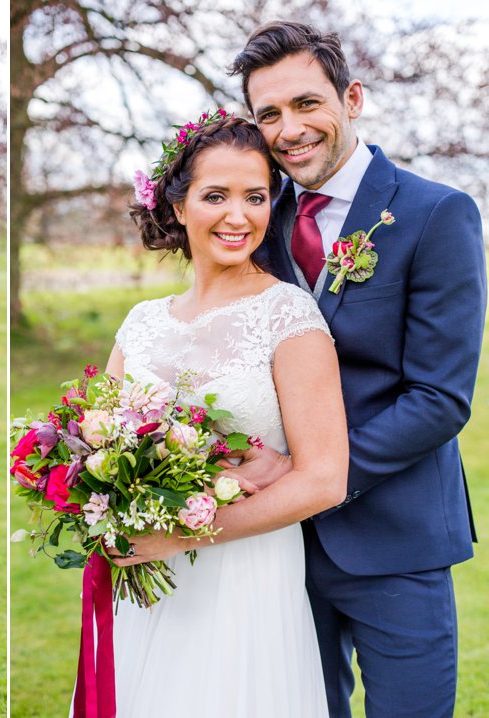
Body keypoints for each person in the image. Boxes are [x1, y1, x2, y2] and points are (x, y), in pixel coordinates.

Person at [224, 21, 487, 718]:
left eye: (307, 103)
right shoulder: (257, 222)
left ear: (352, 98)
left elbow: (439, 398)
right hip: (275, 549)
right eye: (269, 114)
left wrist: (313, 476)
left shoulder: (437, 215)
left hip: (395, 538)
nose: (290, 129)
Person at [102, 114, 348, 717]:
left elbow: (324, 479)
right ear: (179, 206)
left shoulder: (288, 315)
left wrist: (177, 532)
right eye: (216, 196)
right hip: (148, 578)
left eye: (256, 197)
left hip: (248, 574)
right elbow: (97, 445)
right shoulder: (143, 320)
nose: (238, 217)